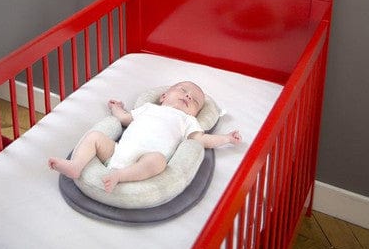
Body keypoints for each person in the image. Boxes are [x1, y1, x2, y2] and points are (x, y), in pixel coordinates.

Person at [48, 81, 242, 192]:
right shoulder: (148, 108)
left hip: (145, 159)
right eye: (183, 90)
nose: (188, 96)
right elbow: (125, 119)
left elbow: (201, 139)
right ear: (163, 96)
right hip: (117, 152)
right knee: (95, 136)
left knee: (158, 161)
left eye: (195, 101)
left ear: (194, 113)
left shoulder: (187, 120)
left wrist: (226, 138)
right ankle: (76, 166)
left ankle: (120, 176)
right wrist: (116, 108)